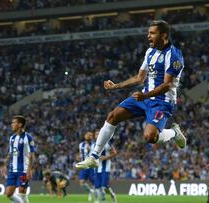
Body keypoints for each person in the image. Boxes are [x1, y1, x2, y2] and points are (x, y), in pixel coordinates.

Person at [76, 20, 186, 170]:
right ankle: (94, 156)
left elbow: (167, 85)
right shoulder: (150, 52)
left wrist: (145, 96)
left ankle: (174, 132)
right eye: (148, 33)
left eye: (152, 33)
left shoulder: (174, 56)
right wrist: (116, 86)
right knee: (113, 116)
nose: (148, 36)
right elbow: (139, 78)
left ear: (164, 35)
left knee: (150, 137)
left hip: (162, 101)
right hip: (145, 97)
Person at [2, 115, 35, 203]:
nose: (11, 124)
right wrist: (5, 165)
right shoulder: (12, 138)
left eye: (14, 123)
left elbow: (32, 155)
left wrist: (29, 169)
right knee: (9, 194)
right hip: (12, 170)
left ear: (20, 125)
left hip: (23, 170)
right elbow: (10, 153)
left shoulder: (28, 138)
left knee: (22, 192)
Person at [92, 129, 118, 203]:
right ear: (94, 136)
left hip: (105, 167)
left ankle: (112, 194)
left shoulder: (107, 143)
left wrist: (105, 158)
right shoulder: (93, 145)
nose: (97, 135)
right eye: (96, 134)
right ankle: (103, 201)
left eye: (98, 134)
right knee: (97, 187)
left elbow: (115, 153)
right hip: (97, 168)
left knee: (104, 186)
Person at [77, 131, 95, 201]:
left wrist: (90, 149)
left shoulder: (94, 145)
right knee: (81, 182)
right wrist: (79, 158)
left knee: (94, 182)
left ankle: (97, 197)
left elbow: (96, 155)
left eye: (90, 135)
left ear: (92, 137)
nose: (88, 136)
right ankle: (90, 191)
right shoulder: (81, 144)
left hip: (91, 166)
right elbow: (80, 154)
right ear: (84, 136)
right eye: (87, 135)